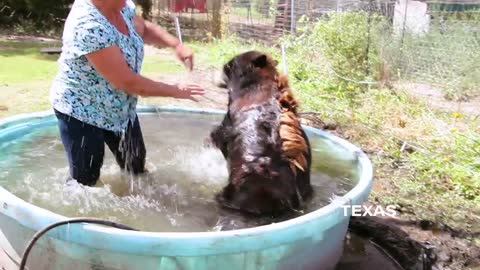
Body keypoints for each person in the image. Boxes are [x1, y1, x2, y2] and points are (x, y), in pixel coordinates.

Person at [50, 0, 205, 186]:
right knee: (85, 181)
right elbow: (127, 82)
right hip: (82, 112)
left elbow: (143, 28)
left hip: (120, 108)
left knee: (135, 164)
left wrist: (176, 45)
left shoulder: (122, 6)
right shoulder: (88, 26)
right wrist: (175, 90)